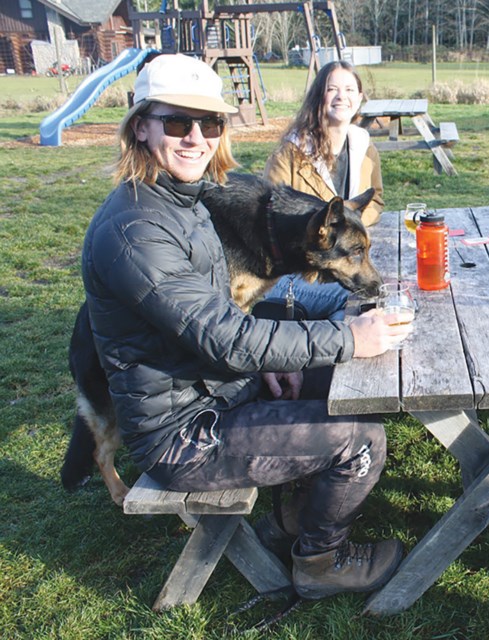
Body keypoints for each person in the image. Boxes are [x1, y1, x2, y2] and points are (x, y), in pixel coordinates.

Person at [80, 54, 411, 600]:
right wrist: (349, 336)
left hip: (216, 393)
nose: (196, 138)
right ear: (139, 125)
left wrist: (267, 369)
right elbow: (224, 336)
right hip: (182, 435)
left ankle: (286, 523)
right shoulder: (134, 229)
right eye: (177, 122)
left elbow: (227, 315)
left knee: (344, 389)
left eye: (209, 124)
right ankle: (321, 561)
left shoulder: (184, 202)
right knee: (361, 439)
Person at [261, 60, 385, 320]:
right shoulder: (290, 153)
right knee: (361, 302)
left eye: (350, 90)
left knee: (382, 293)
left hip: (342, 259)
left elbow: (376, 200)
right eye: (333, 89)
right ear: (319, 96)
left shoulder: (365, 147)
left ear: (359, 97)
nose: (342, 97)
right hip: (292, 273)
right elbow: (269, 215)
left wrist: (350, 225)